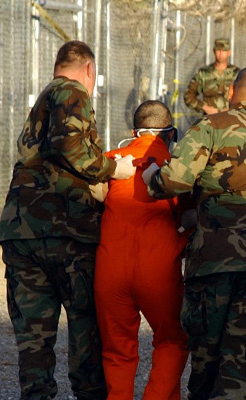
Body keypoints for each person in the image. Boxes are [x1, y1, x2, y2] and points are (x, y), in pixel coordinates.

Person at [0, 40, 136, 399]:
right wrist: (112, 169)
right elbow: (69, 145)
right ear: (89, 69)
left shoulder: (44, 101)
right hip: (67, 233)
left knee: (34, 342)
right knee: (85, 330)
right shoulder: (72, 92)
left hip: (22, 233)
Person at [143, 66, 246, 400]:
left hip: (215, 258)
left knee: (207, 357)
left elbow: (175, 180)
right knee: (244, 356)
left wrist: (152, 177)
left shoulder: (211, 126)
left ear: (230, 93)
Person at [94, 101, 190, 399]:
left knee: (117, 350)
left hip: (110, 269)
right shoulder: (177, 169)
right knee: (172, 341)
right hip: (158, 270)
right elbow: (191, 218)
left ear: (134, 132)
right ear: (171, 134)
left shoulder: (111, 161)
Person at [183, 38, 240, 116]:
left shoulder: (237, 73)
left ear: (229, 52)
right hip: (209, 118)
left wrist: (232, 108)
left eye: (224, 51)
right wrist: (205, 108)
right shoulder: (204, 73)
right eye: (218, 50)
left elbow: (244, 96)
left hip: (231, 118)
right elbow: (188, 95)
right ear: (214, 51)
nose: (221, 54)